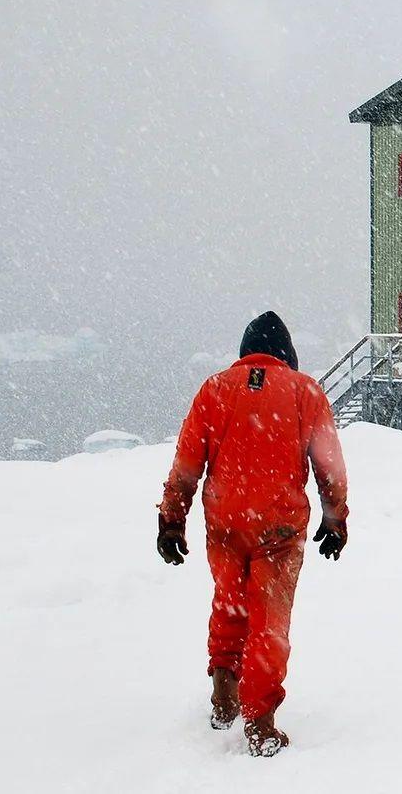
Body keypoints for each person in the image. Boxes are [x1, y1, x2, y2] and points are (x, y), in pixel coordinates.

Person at [155, 311, 349, 757]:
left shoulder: (215, 389)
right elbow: (329, 466)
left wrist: (171, 521)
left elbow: (186, 466)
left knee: (229, 601)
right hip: (279, 528)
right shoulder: (304, 392)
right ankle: (260, 725)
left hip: (225, 523)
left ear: (246, 354)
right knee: (269, 620)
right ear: (287, 356)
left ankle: (224, 696)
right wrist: (335, 518)